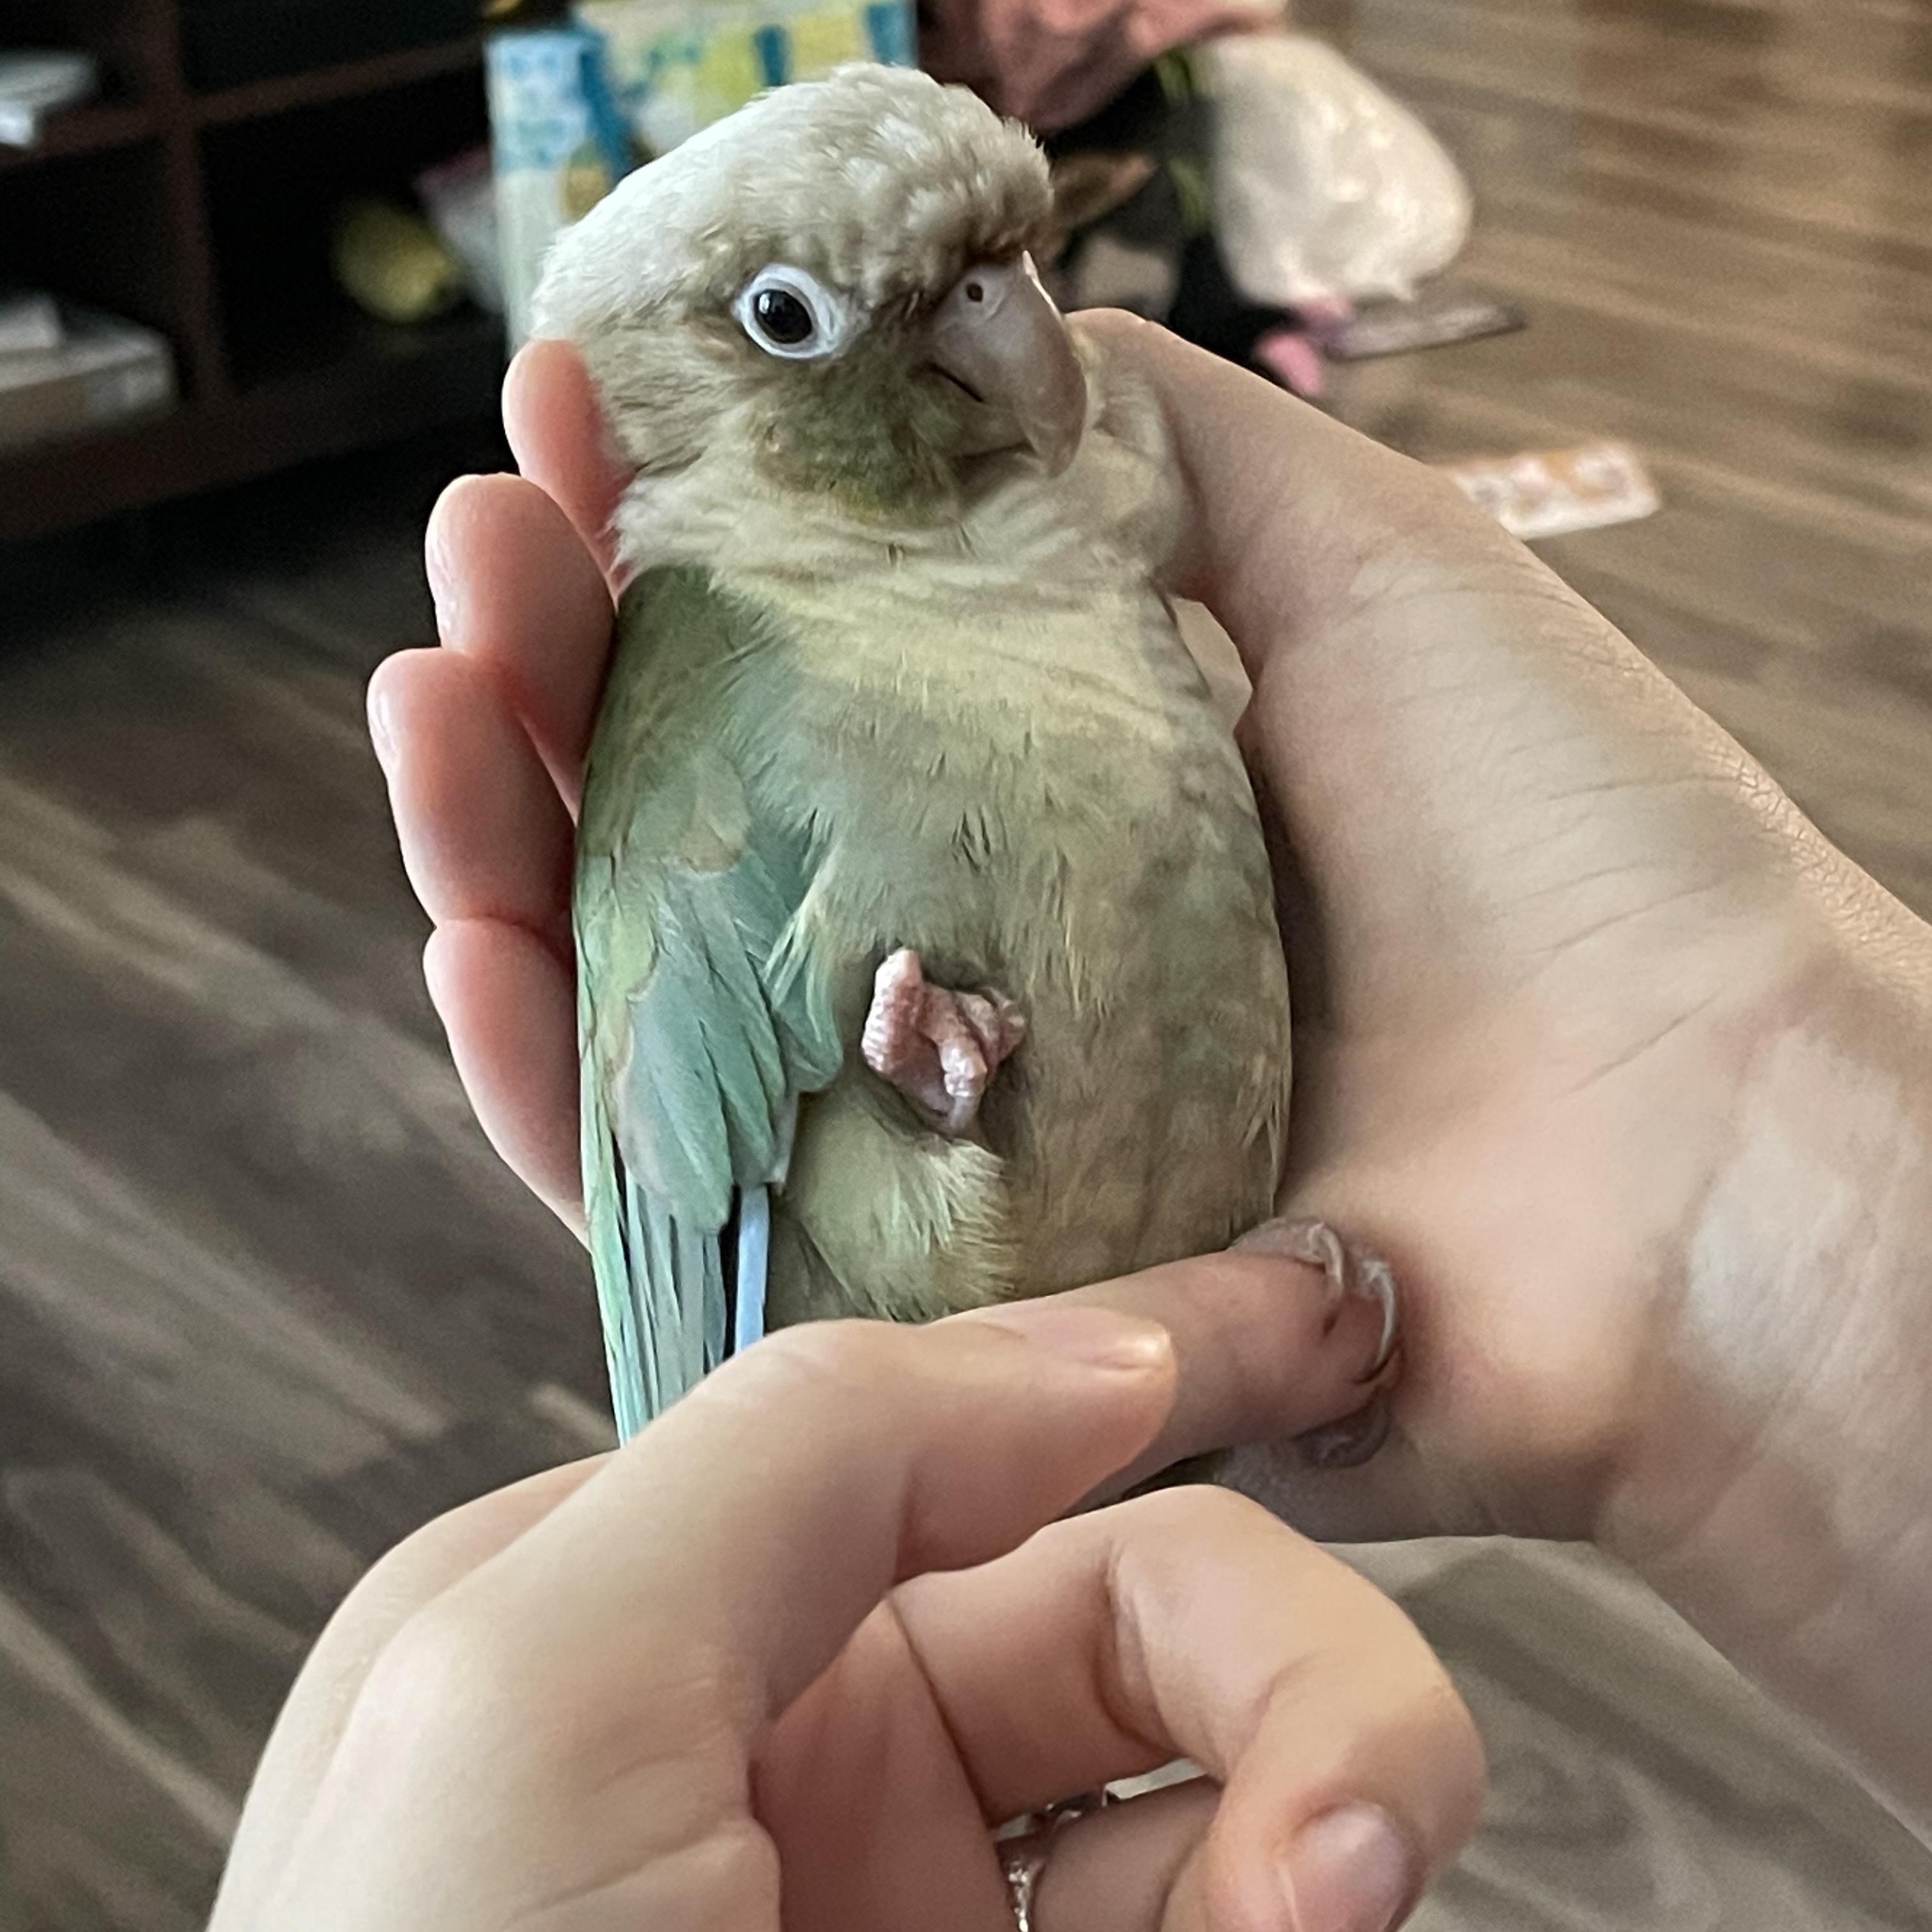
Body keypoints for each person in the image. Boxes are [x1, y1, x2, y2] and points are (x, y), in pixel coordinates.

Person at [213, 315, 1932, 1929]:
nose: (996, 328)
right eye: (803, 315)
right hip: (913, 1394)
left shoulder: (1106, 560)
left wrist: (1722, 1166)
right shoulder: (709, 675)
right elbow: (721, 1291)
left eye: (1006, 267)